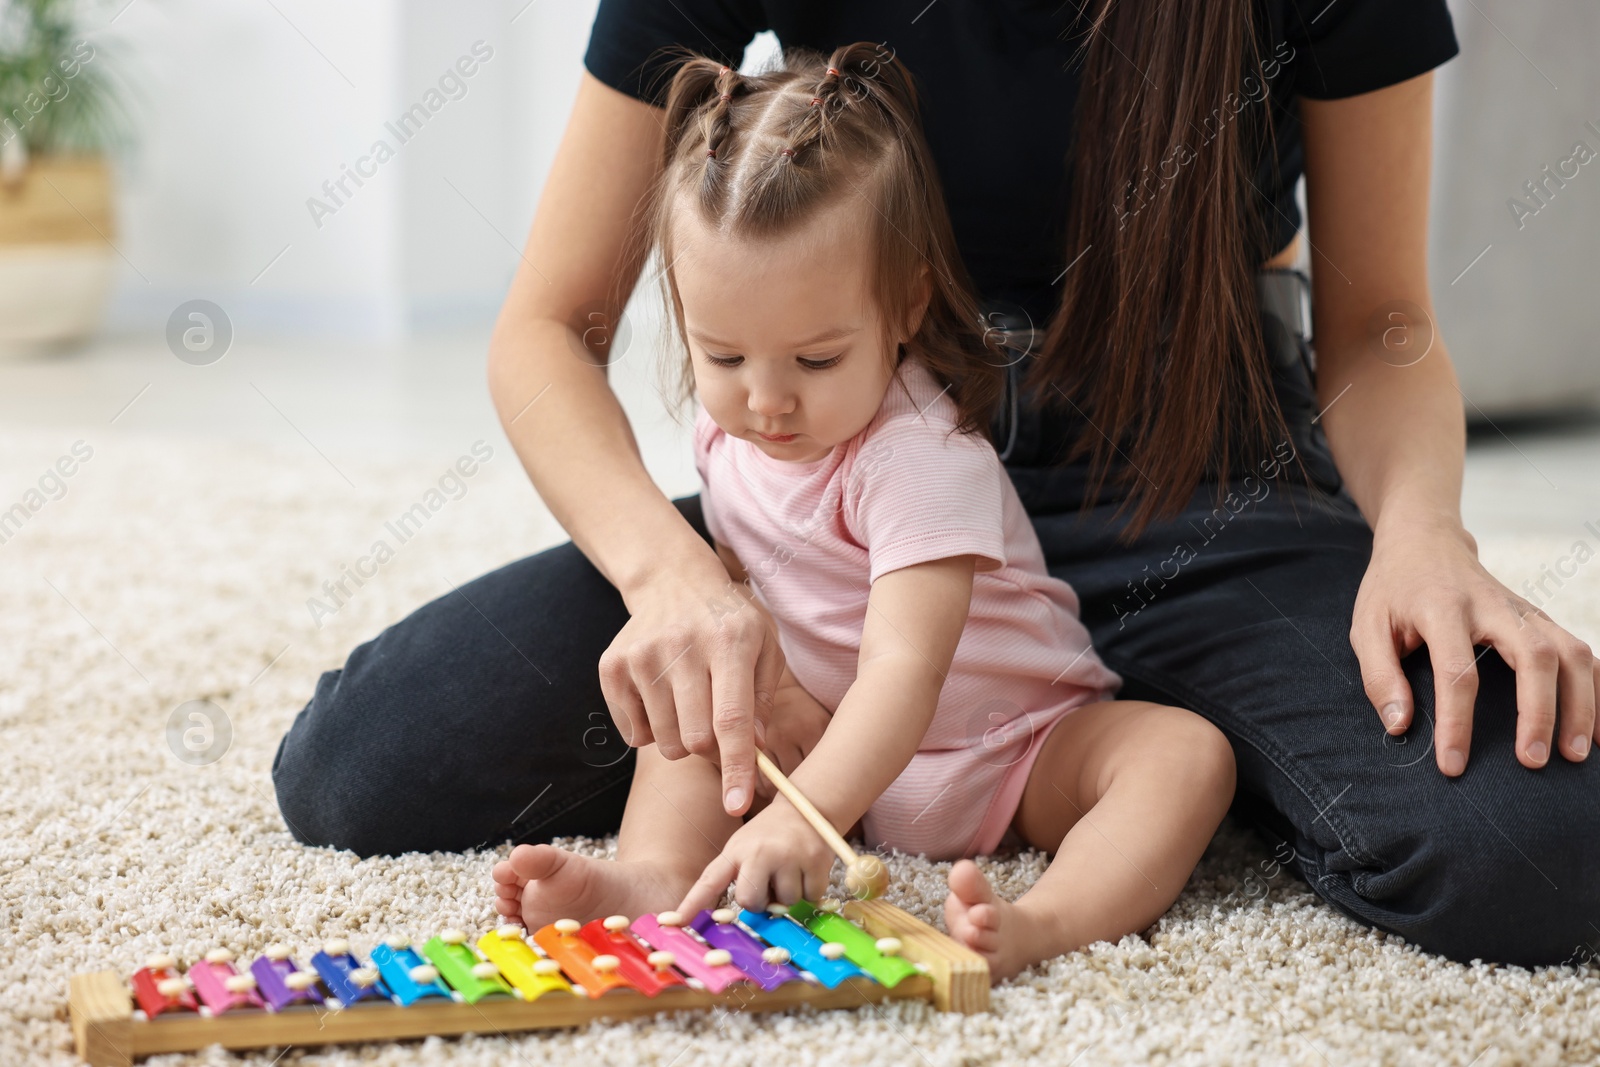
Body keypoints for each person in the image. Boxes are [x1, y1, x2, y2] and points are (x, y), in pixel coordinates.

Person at [274, 0, 1600, 971]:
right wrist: (676, 579)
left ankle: (1160, 757)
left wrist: (1425, 536)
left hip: (1199, 490)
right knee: (362, 768)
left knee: (1542, 844)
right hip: (840, 505)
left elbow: (1381, 327)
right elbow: (547, 329)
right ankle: (1084, 754)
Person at [486, 46, 1236, 982]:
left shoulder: (921, 456)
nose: (767, 402)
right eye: (723, 357)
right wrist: (776, 700)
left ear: (906, 301)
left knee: (1184, 755)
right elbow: (739, 578)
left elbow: (904, 674)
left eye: (815, 361)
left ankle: (1046, 920)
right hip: (824, 739)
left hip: (1008, 748)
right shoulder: (731, 440)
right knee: (694, 704)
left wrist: (803, 816)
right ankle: (653, 875)